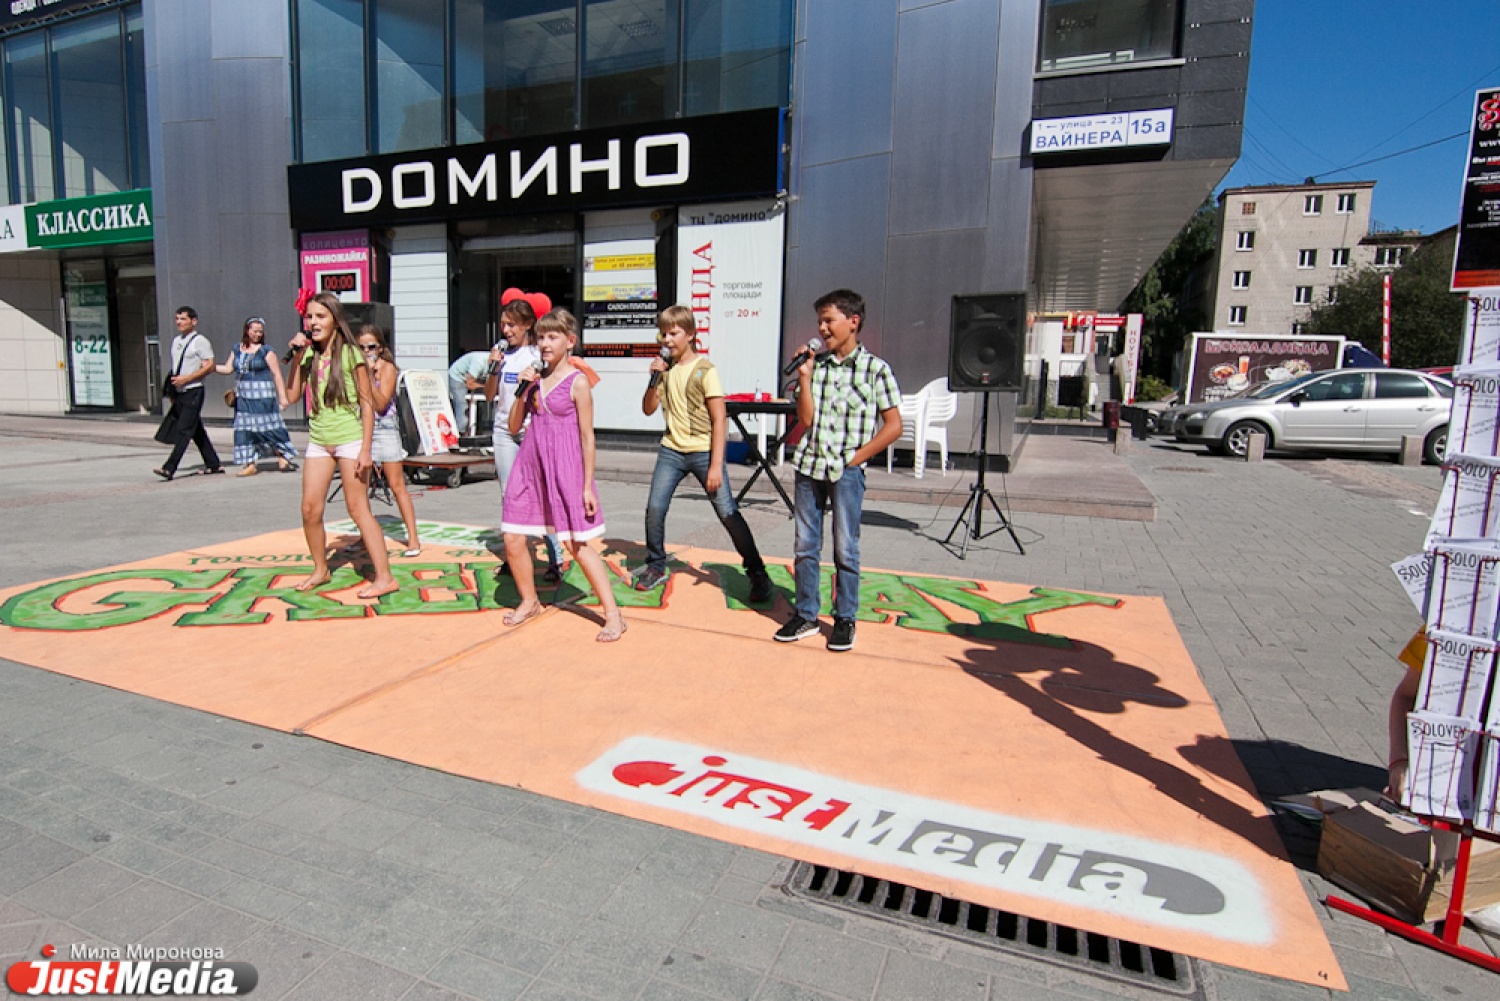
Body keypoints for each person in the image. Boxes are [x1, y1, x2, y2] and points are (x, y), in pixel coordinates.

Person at [774, 289, 902, 652]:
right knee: (805, 544)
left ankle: (845, 618)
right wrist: (804, 376)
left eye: (829, 320)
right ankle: (806, 614)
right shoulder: (818, 367)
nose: (822, 328)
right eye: (820, 322)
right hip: (809, 464)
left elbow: (894, 425)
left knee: (846, 546)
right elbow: (805, 419)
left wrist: (856, 459)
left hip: (846, 471)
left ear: (853, 321)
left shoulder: (876, 369)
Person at [500, 309, 626, 642]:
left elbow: (587, 437)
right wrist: (521, 389)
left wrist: (587, 486)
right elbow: (513, 426)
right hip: (530, 466)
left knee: (575, 543)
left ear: (569, 341)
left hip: (565, 468)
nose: (544, 343)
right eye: (541, 337)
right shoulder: (534, 380)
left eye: (552, 337)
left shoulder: (578, 382)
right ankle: (530, 601)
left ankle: (613, 615)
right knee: (512, 536)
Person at [636, 304, 773, 601]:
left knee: (727, 512)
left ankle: (757, 572)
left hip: (702, 451)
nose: (667, 340)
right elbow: (647, 409)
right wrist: (653, 379)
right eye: (663, 334)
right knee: (655, 508)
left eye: (673, 333)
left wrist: (715, 465)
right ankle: (656, 565)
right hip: (671, 450)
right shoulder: (665, 371)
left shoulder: (705, 371)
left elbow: (719, 419)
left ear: (690, 335)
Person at [283, 292, 399, 600]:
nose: (313, 322)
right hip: (319, 441)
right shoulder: (309, 355)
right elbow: (291, 396)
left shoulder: (350, 354)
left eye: (320, 316)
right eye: (309, 317)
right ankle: (320, 569)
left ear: (335, 320)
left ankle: (385, 577)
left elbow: (367, 404)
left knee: (358, 509)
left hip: (350, 439)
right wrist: (296, 358)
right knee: (309, 509)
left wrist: (365, 450)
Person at [483, 290, 562, 581]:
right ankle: (516, 555)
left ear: (527, 325)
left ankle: (555, 559)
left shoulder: (537, 355)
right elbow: (489, 395)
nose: (506, 330)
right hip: (504, 431)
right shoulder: (500, 354)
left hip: (531, 431)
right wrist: (493, 368)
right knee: (509, 496)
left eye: (512, 325)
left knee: (542, 495)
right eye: (504, 324)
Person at [355, 324, 422, 558]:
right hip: (360, 426)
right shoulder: (355, 368)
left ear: (381, 348)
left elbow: (382, 403)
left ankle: (412, 537)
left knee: (396, 484)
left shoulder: (387, 368)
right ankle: (365, 537)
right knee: (360, 487)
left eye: (371, 346)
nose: (367, 352)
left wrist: (370, 376)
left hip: (384, 427)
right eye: (362, 347)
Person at [216, 316, 298, 476]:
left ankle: (283, 456)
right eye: (255, 331)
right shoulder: (237, 349)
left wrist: (283, 397)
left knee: (269, 427)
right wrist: (211, 367)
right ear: (247, 330)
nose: (258, 334)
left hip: (263, 396)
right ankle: (250, 463)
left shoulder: (266, 351)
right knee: (245, 430)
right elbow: (228, 368)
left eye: (260, 331)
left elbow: (276, 374)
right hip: (244, 397)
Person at [154, 307, 224, 480]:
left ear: (194, 321)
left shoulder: (200, 341)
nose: (179, 322)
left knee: (184, 430)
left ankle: (169, 468)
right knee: (196, 430)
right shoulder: (176, 340)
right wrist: (173, 390)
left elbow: (209, 365)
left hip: (194, 390)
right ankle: (213, 463)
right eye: (177, 319)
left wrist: (187, 379)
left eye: (183, 319)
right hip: (180, 392)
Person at [448, 349, 492, 435]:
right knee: (462, 404)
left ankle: (478, 430)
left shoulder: (500, 363)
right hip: (458, 377)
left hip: (476, 377)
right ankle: (460, 433)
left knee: (480, 403)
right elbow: (470, 384)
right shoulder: (479, 362)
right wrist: (486, 387)